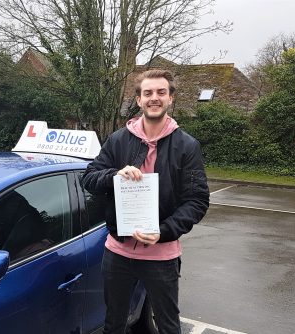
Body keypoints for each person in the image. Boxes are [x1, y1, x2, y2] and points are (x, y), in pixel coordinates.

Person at [82, 69, 210, 334]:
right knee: (114, 323)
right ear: (139, 100)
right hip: (118, 251)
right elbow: (89, 178)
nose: (154, 98)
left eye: (161, 92)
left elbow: (197, 200)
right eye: (148, 93)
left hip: (162, 255)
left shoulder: (187, 146)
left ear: (171, 98)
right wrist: (114, 174)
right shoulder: (118, 140)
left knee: (167, 325)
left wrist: (163, 232)